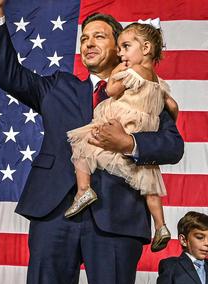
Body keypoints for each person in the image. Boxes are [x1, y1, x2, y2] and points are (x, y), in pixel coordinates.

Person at [0, 1, 184, 284]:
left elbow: (173, 145)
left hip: (117, 217)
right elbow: (9, 74)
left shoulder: (147, 90)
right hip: (56, 212)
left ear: (120, 46)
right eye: (84, 38)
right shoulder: (58, 86)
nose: (88, 43)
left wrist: (131, 143)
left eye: (99, 36)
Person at [65, 20, 178, 251]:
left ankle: (84, 190)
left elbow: (112, 91)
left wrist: (116, 73)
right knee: (150, 184)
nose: (121, 52)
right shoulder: (160, 82)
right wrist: (155, 120)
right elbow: (173, 105)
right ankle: (161, 225)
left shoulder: (130, 72)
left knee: (82, 145)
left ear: (145, 49)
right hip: (143, 126)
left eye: (125, 47)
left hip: (120, 120)